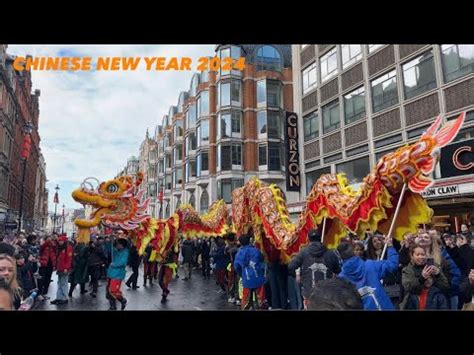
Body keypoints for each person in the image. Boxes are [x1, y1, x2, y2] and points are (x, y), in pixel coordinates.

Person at [338, 236, 399, 310]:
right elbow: (392, 265)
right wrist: (390, 247)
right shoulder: (370, 265)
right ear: (353, 252)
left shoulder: (340, 279)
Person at [288, 229, 340, 309]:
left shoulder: (303, 252)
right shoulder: (330, 253)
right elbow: (338, 270)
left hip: (309, 291)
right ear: (320, 238)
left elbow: (291, 267)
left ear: (308, 239)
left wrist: (298, 276)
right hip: (326, 292)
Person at [234, 233, 267, 310]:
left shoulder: (239, 253)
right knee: (261, 302)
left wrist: (241, 274)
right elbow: (262, 259)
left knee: (246, 302)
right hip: (258, 278)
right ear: (249, 240)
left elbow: (236, 266)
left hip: (246, 279)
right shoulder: (256, 250)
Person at [105, 238, 129, 310]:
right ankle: (112, 306)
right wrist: (110, 241)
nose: (117, 245)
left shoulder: (125, 252)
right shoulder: (116, 250)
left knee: (113, 290)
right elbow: (109, 249)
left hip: (117, 274)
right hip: (110, 273)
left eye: (118, 244)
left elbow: (123, 262)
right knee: (108, 291)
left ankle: (122, 300)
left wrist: (114, 264)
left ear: (122, 245)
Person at [51, 236, 73, 305]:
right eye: (59, 241)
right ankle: (59, 297)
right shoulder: (59, 248)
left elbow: (69, 259)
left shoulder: (68, 248)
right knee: (59, 282)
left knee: (64, 283)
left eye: (61, 241)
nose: (60, 242)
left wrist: (66, 268)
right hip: (60, 268)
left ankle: (64, 297)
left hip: (64, 268)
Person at [38, 234, 57, 300]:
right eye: (48, 239)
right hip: (43, 264)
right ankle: (40, 293)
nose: (50, 241)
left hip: (50, 265)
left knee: (47, 280)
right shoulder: (43, 246)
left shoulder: (53, 247)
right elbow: (42, 248)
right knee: (42, 279)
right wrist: (48, 241)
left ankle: (45, 293)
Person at [224, 233, 240, 305]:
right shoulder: (232, 247)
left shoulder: (230, 247)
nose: (236, 238)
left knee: (234, 282)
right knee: (234, 281)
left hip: (232, 266)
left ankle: (234, 297)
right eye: (235, 237)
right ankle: (235, 297)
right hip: (232, 266)